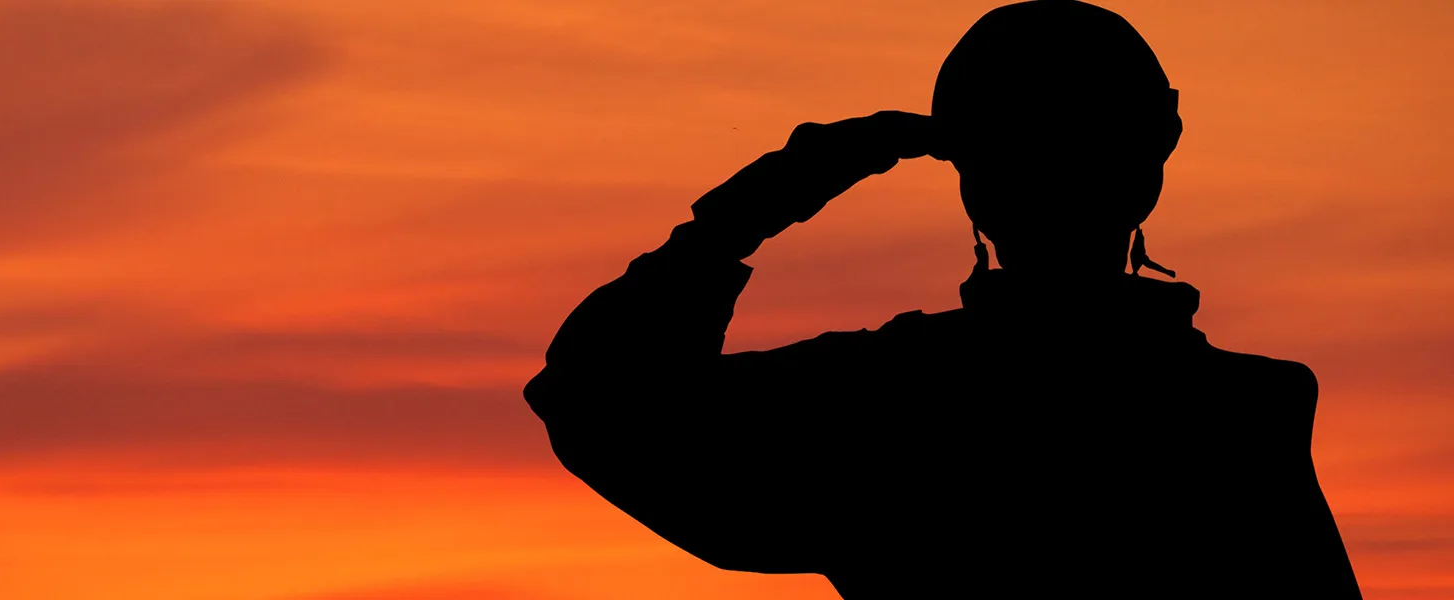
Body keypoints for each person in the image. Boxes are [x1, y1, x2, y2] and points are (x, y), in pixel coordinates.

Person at [522, 1, 1362, 597]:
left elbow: (593, 398)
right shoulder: (1247, 410)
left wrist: (753, 208)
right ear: (1161, 143)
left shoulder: (881, 401)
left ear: (968, 176)